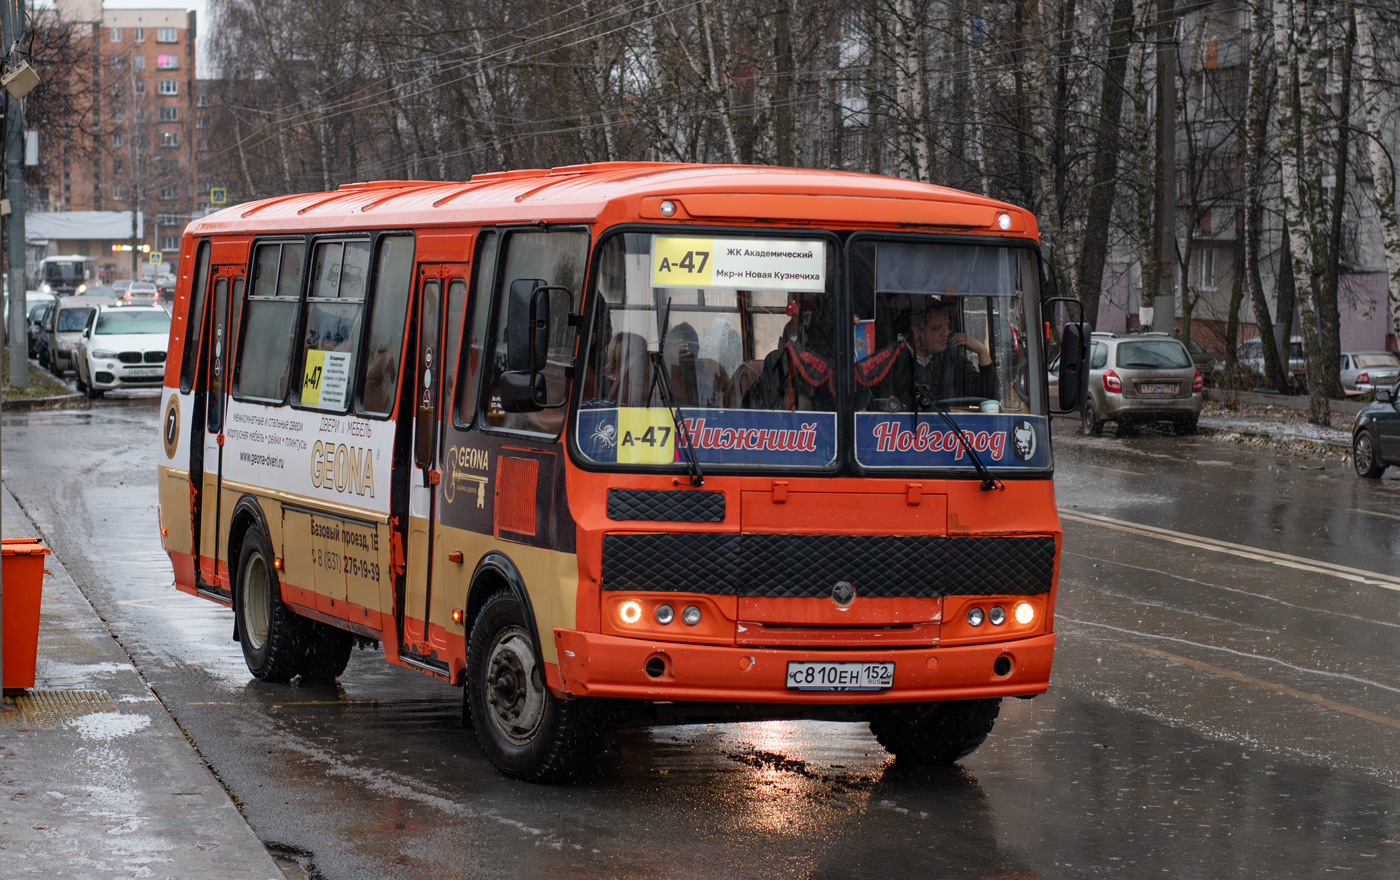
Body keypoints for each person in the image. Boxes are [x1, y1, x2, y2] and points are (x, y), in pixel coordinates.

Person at [901, 299, 996, 403]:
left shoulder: (950, 357)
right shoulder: (895, 359)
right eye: (936, 328)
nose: (945, 333)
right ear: (917, 331)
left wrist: (982, 352)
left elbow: (987, 399)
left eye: (946, 325)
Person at [663, 322, 728, 407]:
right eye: (681, 351)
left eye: (689, 354)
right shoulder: (661, 375)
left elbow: (730, 401)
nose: (684, 358)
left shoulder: (714, 371)